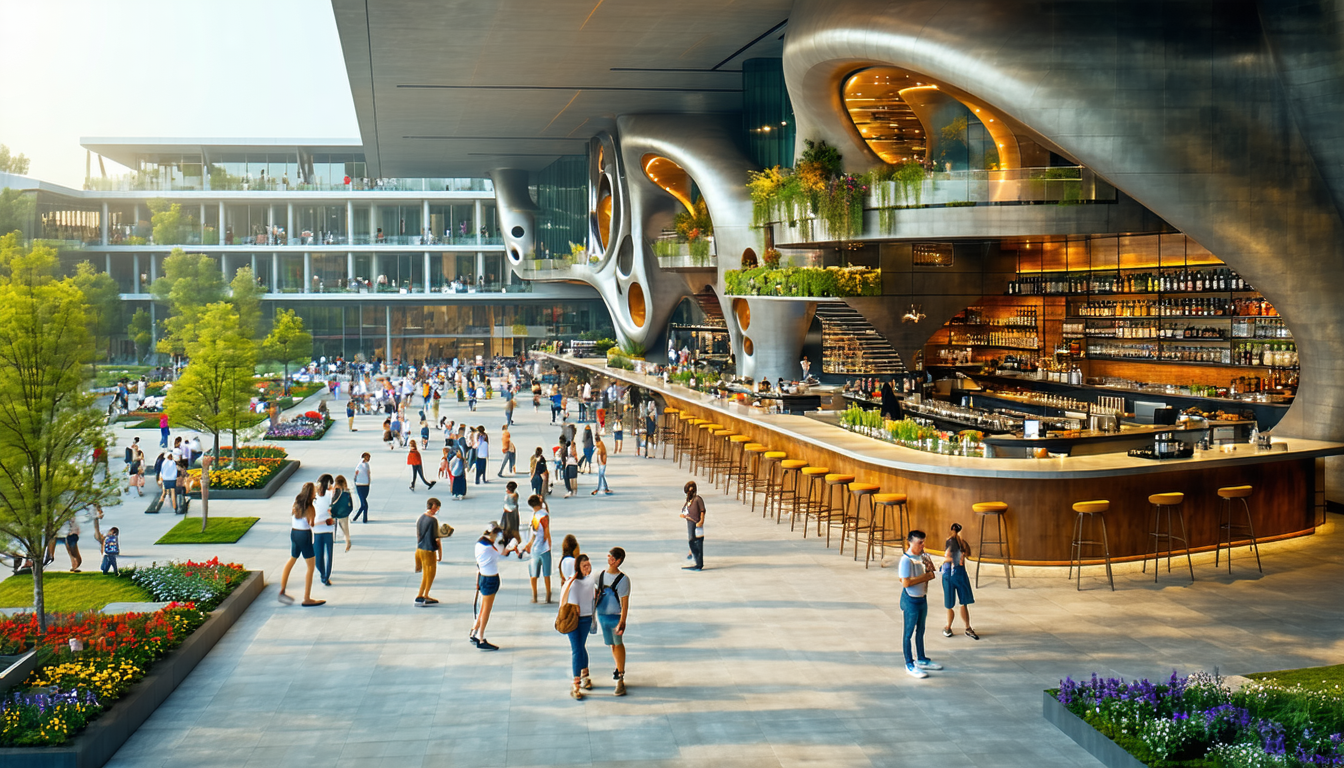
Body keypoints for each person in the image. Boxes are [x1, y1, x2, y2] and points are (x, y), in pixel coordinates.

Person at [898, 530, 943, 679]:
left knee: (921, 630)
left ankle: (921, 658)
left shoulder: (922, 556)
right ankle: (909, 663)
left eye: (923, 542)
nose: (923, 545)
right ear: (910, 542)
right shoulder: (906, 560)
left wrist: (929, 572)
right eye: (920, 542)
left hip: (922, 598)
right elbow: (906, 582)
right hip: (911, 600)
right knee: (908, 633)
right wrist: (926, 576)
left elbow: (932, 573)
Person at [279, 483, 325, 606]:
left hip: (294, 533)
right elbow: (312, 524)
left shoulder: (296, 504)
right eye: (314, 491)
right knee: (310, 567)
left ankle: (282, 590)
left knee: (292, 559)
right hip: (305, 536)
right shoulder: (310, 508)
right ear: (311, 493)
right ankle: (307, 598)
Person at [560, 554, 597, 699]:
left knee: (581, 647)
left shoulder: (590, 581)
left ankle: (585, 674)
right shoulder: (573, 583)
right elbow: (575, 605)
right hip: (573, 620)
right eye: (584, 566)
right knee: (577, 649)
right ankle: (577, 682)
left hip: (586, 620)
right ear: (578, 567)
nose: (588, 568)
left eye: (589, 565)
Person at [596, 547, 631, 696]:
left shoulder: (623, 580)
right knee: (612, 645)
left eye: (613, 558)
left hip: (615, 616)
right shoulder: (601, 576)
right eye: (609, 556)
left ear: (618, 561)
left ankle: (621, 674)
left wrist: (622, 621)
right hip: (603, 616)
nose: (609, 560)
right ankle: (618, 668)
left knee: (618, 643)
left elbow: (625, 603)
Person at [941, 523, 978, 640]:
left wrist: (941, 563)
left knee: (949, 604)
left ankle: (948, 627)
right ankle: (968, 627)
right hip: (961, 574)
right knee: (964, 603)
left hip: (949, 575)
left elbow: (948, 557)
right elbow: (967, 555)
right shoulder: (962, 542)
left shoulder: (950, 541)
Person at [470, 523, 505, 651]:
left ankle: (474, 631)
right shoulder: (491, 548)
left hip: (482, 576)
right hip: (491, 578)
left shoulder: (479, 544)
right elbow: (504, 553)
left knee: (482, 607)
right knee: (486, 609)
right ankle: (481, 637)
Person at [523, 494, 552, 603]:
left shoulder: (534, 516)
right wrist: (548, 542)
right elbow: (546, 531)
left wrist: (529, 544)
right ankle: (548, 594)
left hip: (535, 549)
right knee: (546, 573)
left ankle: (534, 595)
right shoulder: (544, 515)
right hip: (544, 548)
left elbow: (533, 533)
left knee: (533, 573)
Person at [414, 497, 443, 606]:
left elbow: (418, 535)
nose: (436, 512)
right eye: (437, 509)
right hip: (429, 550)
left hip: (420, 549)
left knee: (425, 574)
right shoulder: (433, 520)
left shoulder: (420, 518)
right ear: (433, 507)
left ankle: (421, 594)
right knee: (430, 574)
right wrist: (440, 554)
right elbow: (437, 538)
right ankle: (424, 595)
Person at [312, 474, 336, 586]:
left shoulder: (314, 496)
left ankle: (323, 575)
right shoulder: (330, 494)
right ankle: (326, 576)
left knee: (318, 555)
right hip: (328, 529)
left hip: (316, 530)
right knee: (329, 554)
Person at [680, 481, 705, 571]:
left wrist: (701, 520)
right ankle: (693, 555)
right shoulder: (689, 501)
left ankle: (698, 563)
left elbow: (702, 511)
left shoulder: (698, 499)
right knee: (691, 539)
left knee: (697, 541)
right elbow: (686, 510)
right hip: (690, 522)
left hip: (696, 523)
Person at [332, 475, 354, 552]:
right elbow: (350, 503)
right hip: (344, 512)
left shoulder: (335, 491)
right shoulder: (347, 491)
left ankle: (333, 537)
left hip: (335, 511)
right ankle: (348, 541)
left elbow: (333, 501)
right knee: (345, 528)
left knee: (333, 525)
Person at [499, 481, 522, 556]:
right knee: (508, 530)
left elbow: (510, 505)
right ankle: (509, 546)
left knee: (509, 530)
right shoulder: (512, 494)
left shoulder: (513, 495)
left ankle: (510, 547)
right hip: (509, 514)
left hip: (510, 515)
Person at [353, 453, 372, 523]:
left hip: (363, 484)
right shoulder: (362, 465)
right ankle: (360, 518)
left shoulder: (364, 465)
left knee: (364, 503)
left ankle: (362, 518)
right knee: (364, 503)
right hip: (361, 484)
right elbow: (367, 473)